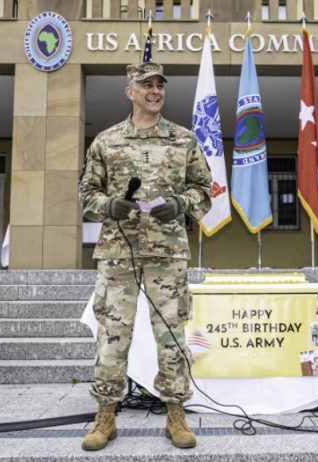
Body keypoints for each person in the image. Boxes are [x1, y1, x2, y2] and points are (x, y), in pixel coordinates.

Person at [78, 62, 212, 451]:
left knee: (171, 337)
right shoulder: (106, 141)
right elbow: (87, 194)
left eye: (159, 85)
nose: (155, 91)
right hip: (118, 253)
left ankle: (176, 414)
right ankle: (105, 415)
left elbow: (204, 189)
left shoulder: (183, 140)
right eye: (146, 85)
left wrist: (181, 203)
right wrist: (109, 205)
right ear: (130, 92)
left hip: (167, 253)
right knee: (112, 336)